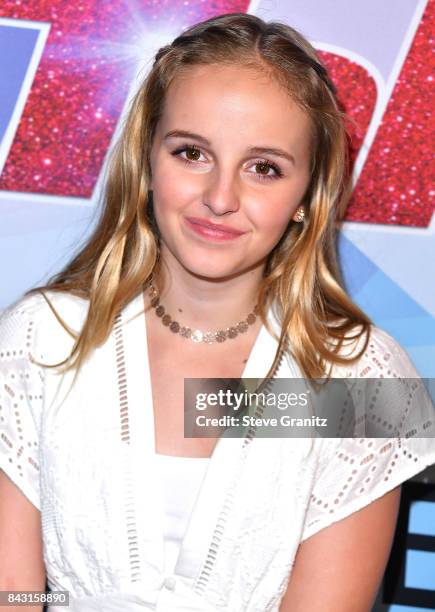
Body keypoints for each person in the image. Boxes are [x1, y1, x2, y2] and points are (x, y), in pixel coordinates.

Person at [0, 12, 434, 612]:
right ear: (146, 161)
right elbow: (13, 594)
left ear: (308, 197)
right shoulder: (42, 339)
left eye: (264, 168)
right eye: (192, 153)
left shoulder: (360, 378)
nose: (221, 198)